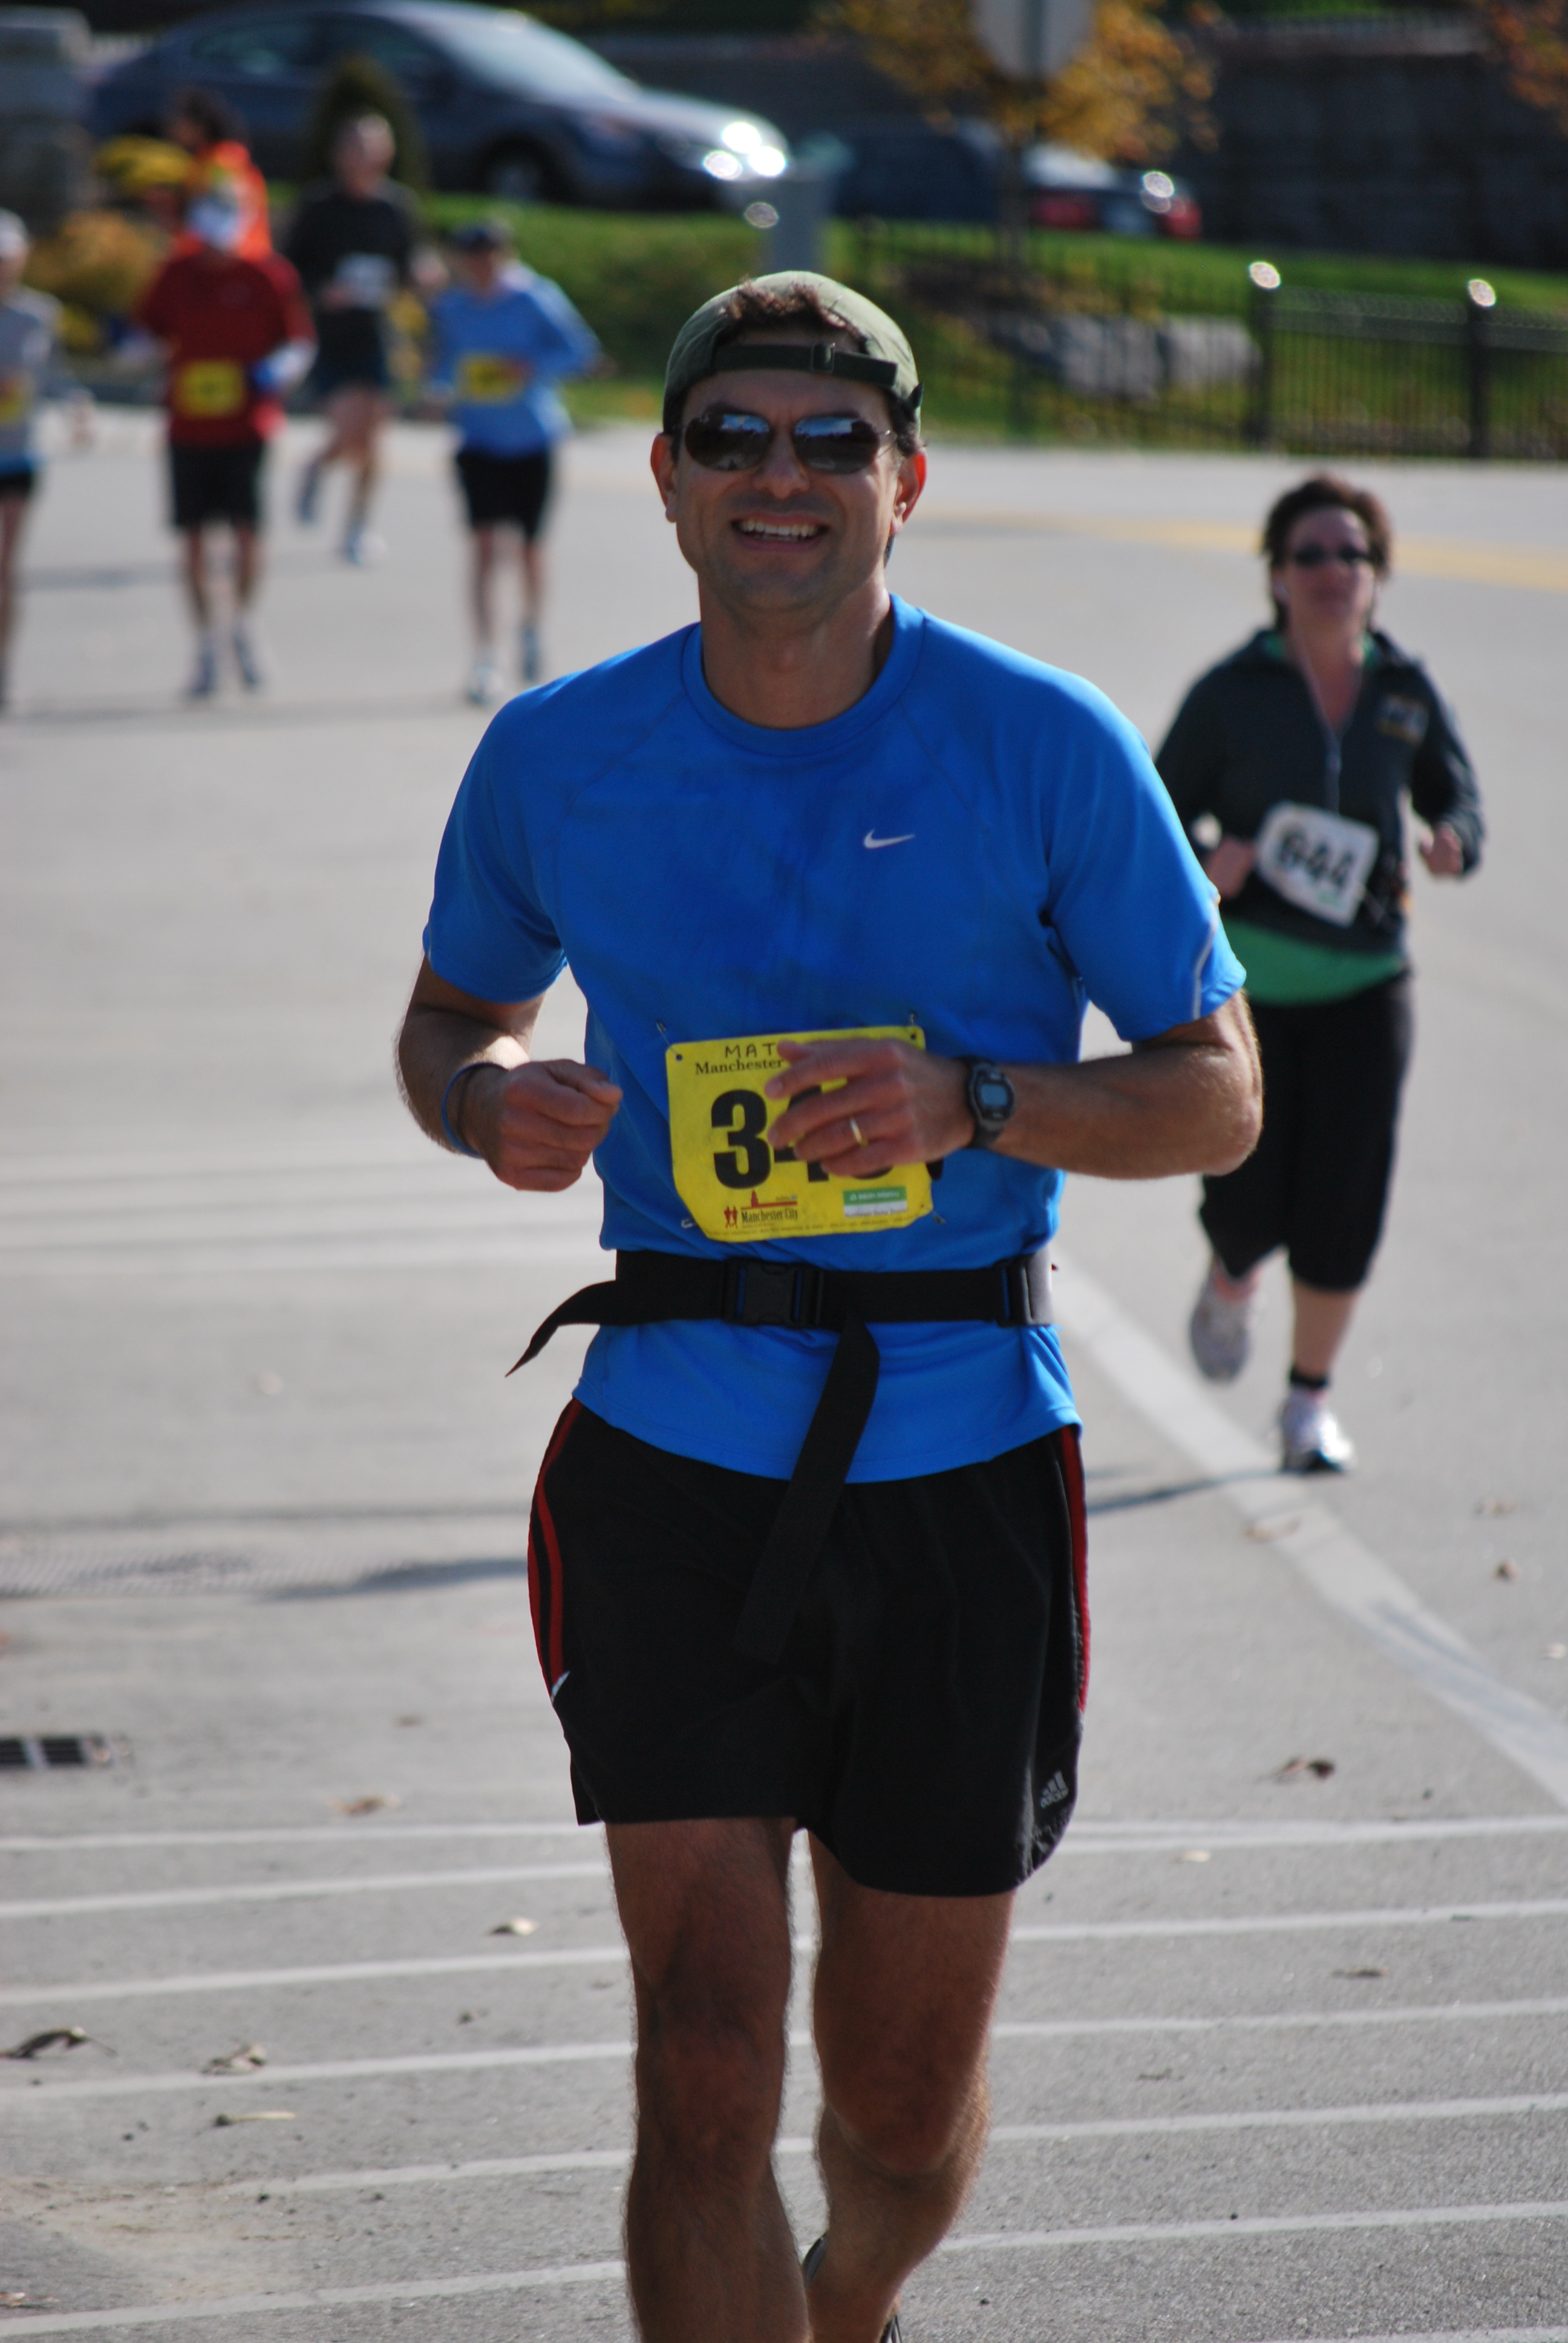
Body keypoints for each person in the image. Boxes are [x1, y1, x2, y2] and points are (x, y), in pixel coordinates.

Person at [396, 270, 1258, 2343]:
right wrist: (492, 1103)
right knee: (701, 2055)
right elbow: (448, 1023)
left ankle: (849, 2294)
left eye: (829, 443)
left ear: (905, 480)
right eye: (733, 439)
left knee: (896, 2101)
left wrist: (983, 1100)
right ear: (668, 479)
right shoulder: (558, 755)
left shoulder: (1040, 742)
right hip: (672, 1445)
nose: (777, 478)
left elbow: (1217, 1095)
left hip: (960, 1452)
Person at [1157, 473, 1483, 1472]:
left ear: (1377, 575)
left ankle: (1307, 1405)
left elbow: (1458, 802)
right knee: (1246, 1197)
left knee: (1344, 1200)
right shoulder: (1232, 693)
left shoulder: (1403, 692)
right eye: (1311, 555)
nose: (1333, 572)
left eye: (1353, 555)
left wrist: (1452, 843)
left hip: (1366, 985)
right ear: (1276, 575)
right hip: (1247, 992)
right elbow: (1155, 813)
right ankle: (1232, 1274)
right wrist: (1206, 860)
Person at [134, 186, 314, 696]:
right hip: (188, 428)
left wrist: (273, 373)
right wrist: (132, 348)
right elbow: (146, 332)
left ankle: (243, 623)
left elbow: (298, 344)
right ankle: (205, 643)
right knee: (193, 539)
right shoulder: (176, 274)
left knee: (247, 534)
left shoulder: (267, 276)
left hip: (245, 428)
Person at [426, 218, 599, 703]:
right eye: (472, 259)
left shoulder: (534, 297)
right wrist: (437, 391)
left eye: (490, 257)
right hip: (478, 439)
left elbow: (579, 351)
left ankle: (532, 628)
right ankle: (485, 654)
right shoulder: (452, 306)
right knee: (484, 546)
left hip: (531, 437)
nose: (481, 267)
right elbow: (443, 363)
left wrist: (530, 369)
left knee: (529, 547)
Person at [284, 114, 417, 566]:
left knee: (374, 433)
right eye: (356, 148)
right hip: (331, 335)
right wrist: (323, 290)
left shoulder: (394, 207)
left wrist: (423, 274)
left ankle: (358, 525)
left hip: (375, 330)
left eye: (373, 148)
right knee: (348, 430)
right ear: (340, 154)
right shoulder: (320, 207)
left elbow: (407, 262)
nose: (364, 158)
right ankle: (317, 466)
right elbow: (290, 268)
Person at [0, 211, 86, 711]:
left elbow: (54, 374)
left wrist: (78, 405)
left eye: (7, 258)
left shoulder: (38, 315)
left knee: (6, 569)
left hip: (18, 454)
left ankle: (4, 666)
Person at [167, 87, 273, 264]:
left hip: (236, 262)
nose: (173, 127)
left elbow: (224, 221)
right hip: (223, 260)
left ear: (198, 125)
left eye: (179, 121)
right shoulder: (209, 156)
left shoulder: (224, 160)